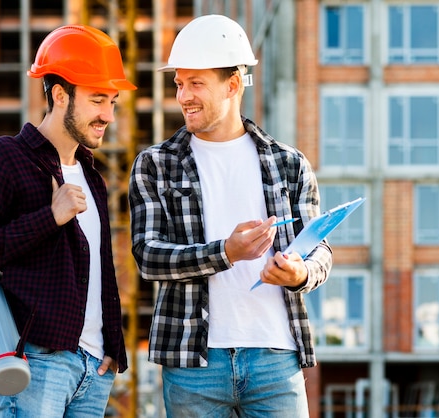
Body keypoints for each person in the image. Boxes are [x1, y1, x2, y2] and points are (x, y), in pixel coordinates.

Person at [128, 14, 333, 418]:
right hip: (193, 363)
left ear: (233, 85)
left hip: (276, 358)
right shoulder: (156, 164)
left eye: (196, 83)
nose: (183, 95)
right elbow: (147, 257)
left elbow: (320, 249)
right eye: (179, 84)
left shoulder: (288, 163)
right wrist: (226, 252)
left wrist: (300, 274)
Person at [0, 24, 136, 417]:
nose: (109, 115)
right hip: (40, 364)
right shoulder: (4, 158)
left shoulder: (93, 176)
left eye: (113, 102)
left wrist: (113, 349)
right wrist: (49, 218)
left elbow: (100, 270)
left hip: (94, 368)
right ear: (60, 94)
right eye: (98, 99)